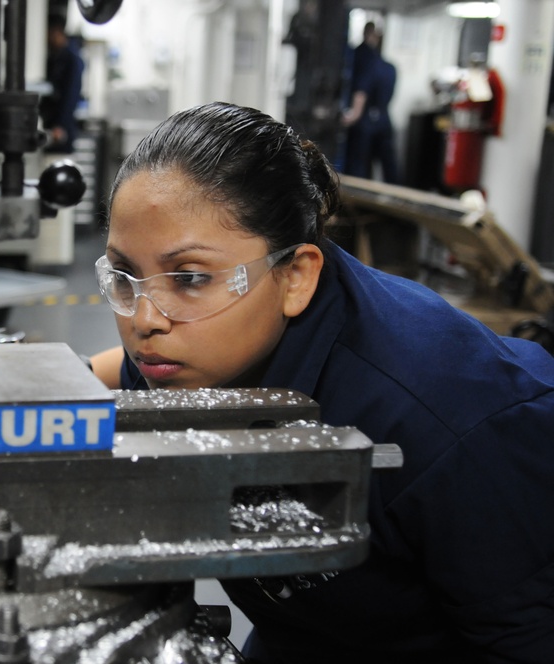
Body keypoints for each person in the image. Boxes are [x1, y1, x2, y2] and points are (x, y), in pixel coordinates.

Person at [90, 102, 554, 662]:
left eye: (189, 277)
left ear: (295, 276)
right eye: (125, 275)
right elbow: (116, 366)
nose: (145, 319)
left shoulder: (449, 427)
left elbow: (522, 642)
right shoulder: (184, 349)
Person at [342, 22, 399, 183]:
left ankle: (356, 202)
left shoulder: (362, 57)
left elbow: (361, 90)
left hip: (365, 121)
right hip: (383, 120)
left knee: (358, 167)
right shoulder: (389, 67)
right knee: (388, 166)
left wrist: (353, 115)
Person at [40, 13, 84, 154]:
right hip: (51, 126)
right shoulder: (54, 57)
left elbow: (71, 94)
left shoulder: (72, 59)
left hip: (61, 130)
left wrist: (61, 125)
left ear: (56, 31)